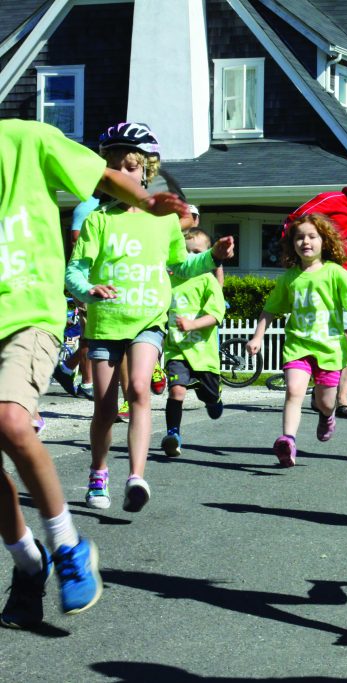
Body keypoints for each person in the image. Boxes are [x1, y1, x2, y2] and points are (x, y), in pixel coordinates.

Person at [0, 119, 186, 628]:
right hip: (101, 322)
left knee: (12, 420)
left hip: (24, 311)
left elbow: (102, 175)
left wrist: (148, 203)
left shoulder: (26, 138)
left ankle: (68, 543)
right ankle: (28, 562)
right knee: (102, 407)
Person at [65, 122, 232, 513]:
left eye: (131, 166)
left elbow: (181, 267)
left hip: (148, 321)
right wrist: (88, 290)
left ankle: (136, 477)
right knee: (106, 409)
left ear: (146, 171)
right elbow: (74, 272)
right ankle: (99, 471)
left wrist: (213, 257)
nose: (123, 174)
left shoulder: (164, 220)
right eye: (114, 167)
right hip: (106, 324)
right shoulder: (98, 220)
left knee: (140, 389)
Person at [246, 214, 347, 467]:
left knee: (326, 402)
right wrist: (257, 336)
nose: (305, 242)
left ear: (324, 241)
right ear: (292, 243)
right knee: (293, 391)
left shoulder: (336, 273)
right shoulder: (289, 278)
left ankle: (327, 415)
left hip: (330, 349)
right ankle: (288, 440)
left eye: (312, 236)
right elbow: (270, 310)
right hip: (298, 345)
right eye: (299, 237)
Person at [287, 171, 347, 420]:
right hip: (322, 283)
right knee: (322, 338)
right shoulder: (331, 200)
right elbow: (295, 220)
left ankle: (342, 399)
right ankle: (321, 390)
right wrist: (294, 258)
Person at [160, 229, 227, 457]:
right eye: (186, 251)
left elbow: (216, 315)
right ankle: (173, 435)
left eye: (197, 252)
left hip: (203, 354)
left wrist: (192, 324)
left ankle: (213, 397)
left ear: (207, 255)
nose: (190, 256)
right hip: (176, 349)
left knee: (210, 399)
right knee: (176, 391)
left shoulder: (208, 281)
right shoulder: (168, 281)